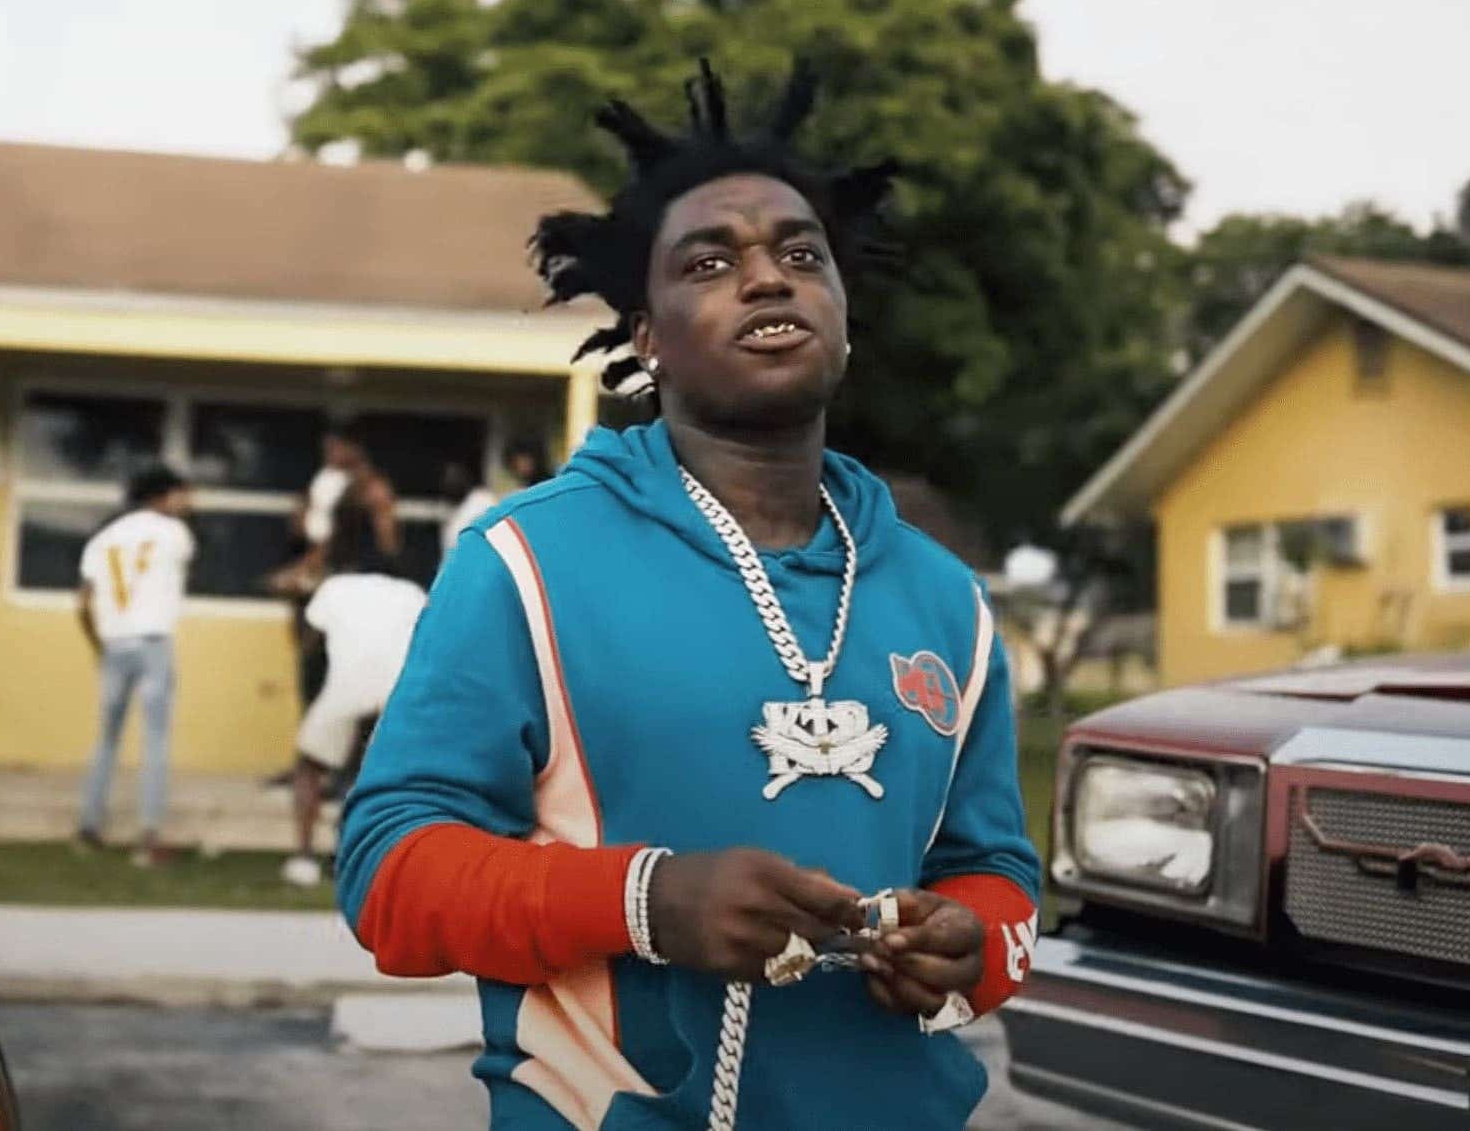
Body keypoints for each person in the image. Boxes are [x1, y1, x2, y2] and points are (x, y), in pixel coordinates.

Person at [337, 61, 1039, 1130]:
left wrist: (969, 948)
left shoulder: (946, 599)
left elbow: (996, 875)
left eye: (801, 255)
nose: (767, 280)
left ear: (844, 313)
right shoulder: (527, 560)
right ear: (647, 337)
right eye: (710, 263)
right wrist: (644, 902)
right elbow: (388, 875)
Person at [280, 500, 427, 887]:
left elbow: (307, 644)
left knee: (310, 766)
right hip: (399, 700)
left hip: (347, 690)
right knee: (378, 774)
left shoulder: (333, 588)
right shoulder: (412, 592)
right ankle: (376, 857)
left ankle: (303, 858)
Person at [74, 465, 195, 869]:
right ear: (163, 495)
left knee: (107, 738)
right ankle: (148, 837)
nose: (188, 502)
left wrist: (99, 644)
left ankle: (89, 827)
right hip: (153, 641)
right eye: (181, 493)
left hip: (114, 643)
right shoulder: (174, 532)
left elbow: (83, 603)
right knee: (155, 739)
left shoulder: (104, 537)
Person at [439, 441, 552, 556]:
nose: (521, 464)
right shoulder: (515, 491)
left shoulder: (548, 486)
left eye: (525, 458)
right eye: (517, 460)